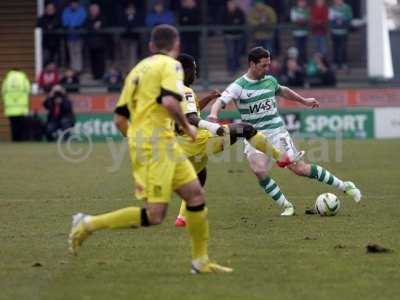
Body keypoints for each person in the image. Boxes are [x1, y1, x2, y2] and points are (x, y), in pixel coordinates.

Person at [68, 24, 232, 274]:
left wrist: (135, 141)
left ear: (151, 46)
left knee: (196, 196)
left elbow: (120, 119)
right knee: (155, 215)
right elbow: (168, 101)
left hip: (159, 144)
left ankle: (200, 261)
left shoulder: (136, 71)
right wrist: (186, 127)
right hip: (156, 146)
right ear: (175, 46)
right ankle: (87, 223)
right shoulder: (171, 66)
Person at [208, 47, 362, 216]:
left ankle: (345, 185)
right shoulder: (239, 86)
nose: (267, 69)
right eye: (263, 66)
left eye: (268, 65)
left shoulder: (270, 80)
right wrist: (214, 115)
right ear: (252, 64)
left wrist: (304, 101)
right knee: (259, 170)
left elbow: (283, 91)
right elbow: (220, 101)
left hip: (277, 133)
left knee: (299, 169)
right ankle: (287, 206)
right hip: (254, 136)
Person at [173, 53, 294, 227]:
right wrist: (214, 127)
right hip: (198, 142)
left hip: (182, 146)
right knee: (246, 129)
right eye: (194, 69)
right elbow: (191, 118)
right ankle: (280, 157)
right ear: (185, 70)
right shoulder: (185, 91)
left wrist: (207, 98)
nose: (196, 74)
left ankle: (182, 218)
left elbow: (188, 110)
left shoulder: (171, 90)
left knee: (199, 174)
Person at [1, 68, 30, 142]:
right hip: (21, 107)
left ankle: (14, 140)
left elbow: (3, 91)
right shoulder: (23, 78)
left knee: (13, 126)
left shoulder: (7, 79)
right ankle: (21, 140)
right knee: (21, 126)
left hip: (10, 108)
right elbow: (28, 89)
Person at [221, 0, 246, 76]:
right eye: (229, 4)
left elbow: (242, 22)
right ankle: (231, 70)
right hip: (228, 36)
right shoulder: (224, 12)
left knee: (237, 53)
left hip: (239, 36)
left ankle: (236, 67)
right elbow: (222, 23)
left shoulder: (240, 12)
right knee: (231, 54)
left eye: (232, 4)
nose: (231, 6)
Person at [62, 0, 87, 73]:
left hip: (79, 36)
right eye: (72, 3)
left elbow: (83, 20)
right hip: (70, 36)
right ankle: (73, 69)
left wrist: (77, 26)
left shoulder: (81, 11)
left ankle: (78, 69)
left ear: (77, 4)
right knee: (71, 52)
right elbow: (65, 21)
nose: (73, 5)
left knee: (78, 52)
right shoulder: (66, 11)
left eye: (75, 3)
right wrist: (69, 26)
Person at [329, 0, 353, 70]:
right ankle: (335, 63)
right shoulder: (332, 8)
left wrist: (343, 20)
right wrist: (335, 21)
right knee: (335, 48)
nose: (337, 1)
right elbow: (330, 19)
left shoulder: (347, 8)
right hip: (334, 31)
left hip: (343, 32)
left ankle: (344, 63)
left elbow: (350, 18)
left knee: (343, 48)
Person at [86, 3, 107, 80]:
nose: (93, 11)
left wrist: (95, 27)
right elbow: (87, 27)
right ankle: (95, 76)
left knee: (100, 61)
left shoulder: (102, 18)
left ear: (98, 10)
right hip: (91, 44)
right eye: (92, 10)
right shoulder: (88, 19)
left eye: (95, 9)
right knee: (93, 61)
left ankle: (101, 76)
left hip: (100, 43)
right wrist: (93, 26)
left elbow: (104, 26)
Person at [290, 0, 310, 65]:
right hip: (296, 33)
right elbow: (294, 20)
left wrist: (302, 21)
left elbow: (307, 19)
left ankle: (304, 63)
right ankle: (298, 63)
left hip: (304, 33)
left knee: (304, 49)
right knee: (297, 49)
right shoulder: (294, 10)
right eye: (300, 2)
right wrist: (301, 21)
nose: (302, 3)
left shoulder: (307, 10)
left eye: (303, 2)